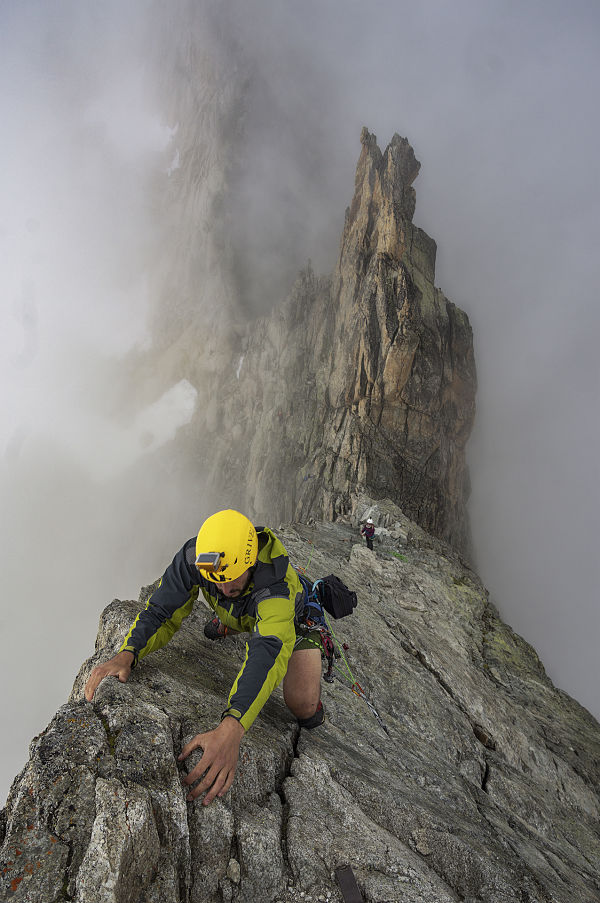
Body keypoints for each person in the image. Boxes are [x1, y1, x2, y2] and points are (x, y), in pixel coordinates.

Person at [84, 509, 324, 806]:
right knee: (224, 618)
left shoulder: (276, 589)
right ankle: (233, 620)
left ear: (249, 563)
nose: (223, 588)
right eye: (216, 582)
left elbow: (266, 655)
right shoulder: (197, 557)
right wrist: (128, 653)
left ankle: (312, 620)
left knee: (303, 707)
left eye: (230, 580)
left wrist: (233, 726)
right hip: (249, 612)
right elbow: (161, 608)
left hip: (294, 619)